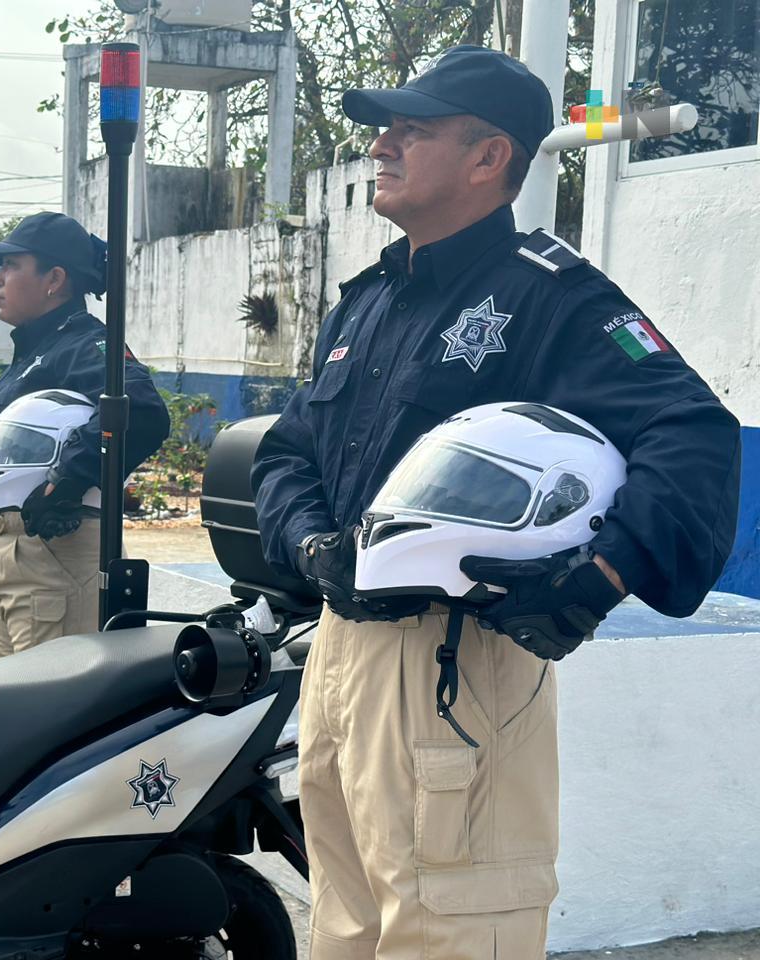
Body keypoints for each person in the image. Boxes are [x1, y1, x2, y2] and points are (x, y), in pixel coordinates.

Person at [250, 45, 740, 959]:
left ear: (489, 159)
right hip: (340, 658)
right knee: (347, 930)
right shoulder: (368, 302)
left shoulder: (549, 298)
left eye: (414, 129)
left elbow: (692, 434)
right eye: (385, 127)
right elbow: (289, 451)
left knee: (451, 932)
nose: (384, 144)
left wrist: (596, 579)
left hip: (453, 667)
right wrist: (311, 542)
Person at [0, 211, 171, 659]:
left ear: (54, 278)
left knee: (39, 716)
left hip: (49, 558)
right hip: (3, 559)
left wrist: (66, 481)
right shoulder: (35, 351)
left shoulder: (82, 343)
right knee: (4, 713)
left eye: (11, 266)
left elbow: (143, 410)